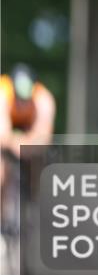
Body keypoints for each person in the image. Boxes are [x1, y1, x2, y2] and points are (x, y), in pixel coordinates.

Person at [0, 64, 56, 195]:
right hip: (8, 131)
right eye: (19, 99)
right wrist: (14, 144)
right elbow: (2, 135)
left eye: (26, 99)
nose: (22, 104)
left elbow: (44, 136)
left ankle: (37, 206)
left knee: (43, 166)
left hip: (28, 134)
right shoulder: (3, 92)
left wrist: (27, 146)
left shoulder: (43, 98)